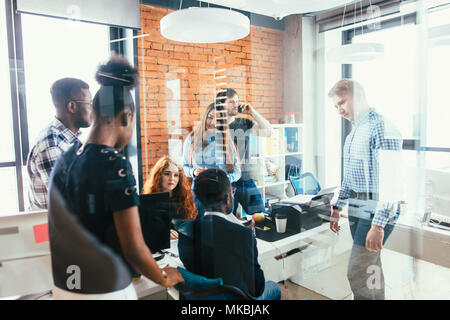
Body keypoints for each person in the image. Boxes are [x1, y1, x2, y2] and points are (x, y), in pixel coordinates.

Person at [49, 55, 183, 298]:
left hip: (65, 287)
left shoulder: (66, 157)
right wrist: (164, 277)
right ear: (126, 117)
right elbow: (134, 250)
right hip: (104, 289)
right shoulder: (115, 164)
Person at [328, 79, 402, 300]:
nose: (340, 110)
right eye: (336, 106)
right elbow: (349, 177)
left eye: (342, 103)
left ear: (358, 96)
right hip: (357, 207)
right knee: (371, 266)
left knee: (357, 272)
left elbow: (392, 182)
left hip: (376, 208)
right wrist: (338, 207)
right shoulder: (353, 133)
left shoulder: (382, 126)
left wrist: (378, 224)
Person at [178, 168, 281, 300]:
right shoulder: (243, 235)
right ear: (228, 198)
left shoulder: (185, 231)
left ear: (198, 198)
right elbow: (257, 289)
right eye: (232, 192)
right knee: (274, 287)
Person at [27, 77, 93, 210]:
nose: (93, 109)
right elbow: (66, 202)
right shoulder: (52, 144)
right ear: (72, 106)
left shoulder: (72, 139)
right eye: (89, 103)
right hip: (52, 228)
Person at [219, 88, 273, 217]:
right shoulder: (214, 125)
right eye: (231, 101)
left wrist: (252, 112)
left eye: (237, 101)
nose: (236, 104)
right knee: (227, 220)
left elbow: (269, 132)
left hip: (246, 180)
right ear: (221, 104)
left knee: (261, 217)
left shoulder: (244, 122)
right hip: (226, 183)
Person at [183, 102, 241, 218]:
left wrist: (223, 179)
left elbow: (238, 172)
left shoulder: (227, 141)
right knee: (203, 232)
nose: (213, 122)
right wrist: (193, 172)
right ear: (205, 117)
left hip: (223, 195)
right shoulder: (192, 139)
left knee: (226, 232)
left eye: (219, 119)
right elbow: (184, 166)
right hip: (200, 196)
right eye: (210, 117)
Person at [142, 155, 197, 239]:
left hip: (181, 244)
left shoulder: (186, 199)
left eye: (176, 175)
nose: (172, 178)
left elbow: (193, 228)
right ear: (158, 176)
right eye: (167, 174)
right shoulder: (148, 201)